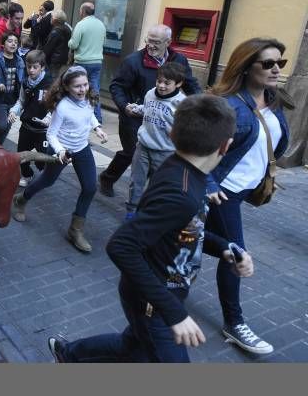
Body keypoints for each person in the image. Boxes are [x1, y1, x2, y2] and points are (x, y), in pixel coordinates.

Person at [49, 95, 254, 363]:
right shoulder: (180, 191)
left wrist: (226, 247)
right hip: (153, 302)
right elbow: (121, 246)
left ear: (171, 134)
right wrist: (174, 312)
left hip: (162, 295)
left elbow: (186, 230)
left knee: (132, 347)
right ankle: (69, 354)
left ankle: (68, 353)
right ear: (226, 146)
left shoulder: (191, 175)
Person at [204, 38, 290, 355]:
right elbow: (201, 153)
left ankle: (174, 246)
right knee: (236, 252)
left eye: (280, 62)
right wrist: (211, 185)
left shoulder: (275, 99)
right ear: (246, 66)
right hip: (222, 192)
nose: (276, 69)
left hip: (242, 191)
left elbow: (275, 144)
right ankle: (235, 323)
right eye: (267, 63)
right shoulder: (229, 106)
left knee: (198, 237)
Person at [11, 66, 108, 252]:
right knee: (47, 181)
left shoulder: (88, 99)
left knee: (89, 188)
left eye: (85, 84)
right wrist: (60, 151)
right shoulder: (62, 107)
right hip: (62, 151)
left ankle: (75, 230)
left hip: (82, 149)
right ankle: (21, 199)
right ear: (67, 87)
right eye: (77, 86)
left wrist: (97, 128)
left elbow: (89, 116)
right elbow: (51, 134)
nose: (82, 89)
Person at [100, 25, 201, 197]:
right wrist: (125, 106)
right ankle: (108, 178)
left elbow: (190, 84)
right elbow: (117, 86)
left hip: (162, 118)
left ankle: (144, 194)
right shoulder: (133, 61)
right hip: (134, 116)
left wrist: (203, 105)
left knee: (152, 157)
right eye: (149, 41)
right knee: (132, 152)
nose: (151, 46)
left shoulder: (180, 60)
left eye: (156, 42)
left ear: (168, 42)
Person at [126, 62, 187, 218]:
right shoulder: (150, 94)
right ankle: (131, 212)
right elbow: (147, 109)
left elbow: (186, 129)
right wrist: (135, 108)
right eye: (159, 81)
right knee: (136, 182)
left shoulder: (182, 104)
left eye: (167, 83)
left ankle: (148, 214)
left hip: (165, 152)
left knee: (157, 186)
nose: (161, 86)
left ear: (178, 83)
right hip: (143, 147)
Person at [9, 50, 54, 190]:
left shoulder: (50, 84)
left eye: (35, 67)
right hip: (27, 127)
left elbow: (55, 105)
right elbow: (21, 101)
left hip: (43, 130)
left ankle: (43, 176)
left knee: (42, 158)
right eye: (29, 67)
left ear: (42, 67)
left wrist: (49, 117)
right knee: (22, 155)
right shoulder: (25, 83)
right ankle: (27, 175)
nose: (31, 70)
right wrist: (13, 111)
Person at [68, 2, 106, 123]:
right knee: (94, 89)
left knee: (76, 87)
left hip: (82, 61)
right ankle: (97, 117)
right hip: (97, 62)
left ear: (83, 12)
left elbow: (73, 44)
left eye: (80, 11)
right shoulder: (101, 25)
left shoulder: (81, 24)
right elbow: (103, 42)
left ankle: (75, 114)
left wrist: (69, 42)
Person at [42, 10, 71, 80]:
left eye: (51, 17)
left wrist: (42, 57)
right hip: (63, 59)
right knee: (59, 79)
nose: (50, 19)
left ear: (55, 20)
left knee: (52, 79)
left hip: (54, 60)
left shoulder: (56, 31)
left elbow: (48, 48)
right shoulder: (67, 29)